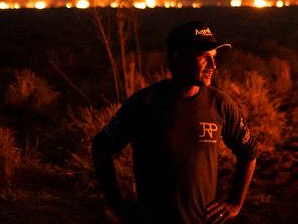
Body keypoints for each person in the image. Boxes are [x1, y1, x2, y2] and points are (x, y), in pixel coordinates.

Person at [92, 21, 258, 224]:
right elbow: (101, 146)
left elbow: (248, 150)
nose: (213, 66)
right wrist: (115, 203)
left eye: (214, 57)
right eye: (205, 57)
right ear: (179, 56)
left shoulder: (220, 104)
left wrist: (235, 203)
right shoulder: (144, 103)